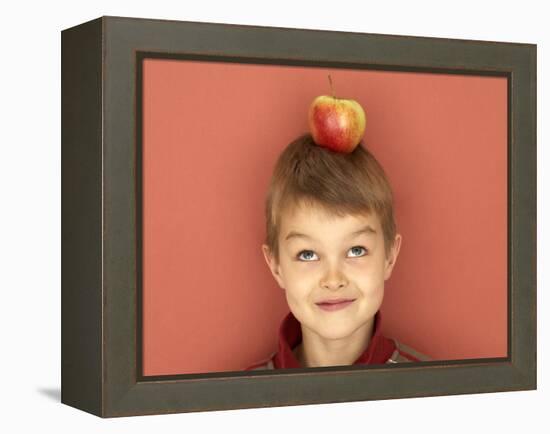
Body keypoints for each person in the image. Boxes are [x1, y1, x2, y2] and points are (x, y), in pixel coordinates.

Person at [245, 133, 430, 370]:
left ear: (390, 256)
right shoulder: (237, 402)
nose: (333, 280)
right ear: (276, 265)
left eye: (356, 250)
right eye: (307, 254)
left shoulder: (438, 396)